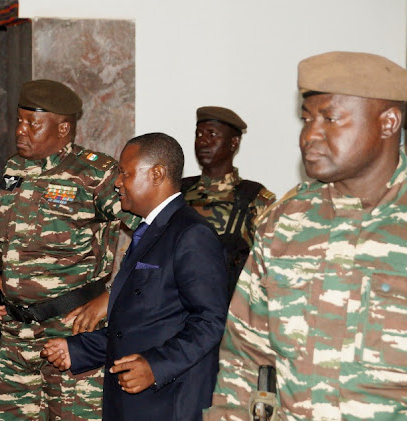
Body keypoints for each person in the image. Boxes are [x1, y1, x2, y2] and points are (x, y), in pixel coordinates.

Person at [204, 51, 407, 420]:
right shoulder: (288, 219)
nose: (309, 135)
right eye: (307, 118)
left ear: (388, 122)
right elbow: (245, 357)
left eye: (330, 118)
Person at [0, 79, 138, 420]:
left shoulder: (97, 174)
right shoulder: (13, 170)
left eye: (31, 124)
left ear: (63, 128)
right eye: (19, 121)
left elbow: (154, 236)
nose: (20, 131)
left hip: (72, 333)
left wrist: (112, 297)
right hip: (16, 335)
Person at [42, 132, 228, 420]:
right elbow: (139, 325)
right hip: (131, 402)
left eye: (125, 173)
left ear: (156, 174)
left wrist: (156, 366)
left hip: (167, 402)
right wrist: (78, 350)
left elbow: (210, 321)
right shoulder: (149, 231)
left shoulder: (191, 234)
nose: (117, 182)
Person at [182, 106, 275, 293]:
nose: (203, 142)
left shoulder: (255, 198)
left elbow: (271, 264)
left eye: (212, 134)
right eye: (198, 134)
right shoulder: (177, 192)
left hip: (230, 310)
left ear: (234, 143)